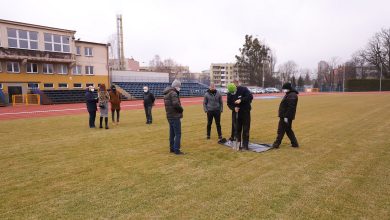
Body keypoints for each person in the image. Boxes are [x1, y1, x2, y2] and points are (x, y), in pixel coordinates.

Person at [227, 80, 253, 150]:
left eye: (234, 91)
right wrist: (233, 108)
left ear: (236, 87)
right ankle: (238, 143)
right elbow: (229, 104)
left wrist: (241, 100)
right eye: (231, 92)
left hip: (245, 112)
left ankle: (245, 145)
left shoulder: (243, 89)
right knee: (237, 129)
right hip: (236, 112)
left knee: (245, 129)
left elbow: (250, 97)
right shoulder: (229, 93)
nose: (233, 93)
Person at [272, 82, 299, 148]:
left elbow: (291, 107)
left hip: (286, 116)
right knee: (288, 130)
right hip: (285, 116)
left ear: (288, 88)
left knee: (281, 130)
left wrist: (286, 117)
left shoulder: (292, 95)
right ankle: (295, 143)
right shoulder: (289, 94)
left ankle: (276, 144)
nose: (284, 90)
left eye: (284, 89)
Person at [163, 79, 184, 155]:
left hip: (169, 116)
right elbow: (176, 104)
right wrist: (181, 110)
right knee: (178, 133)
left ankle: (172, 148)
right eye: (179, 86)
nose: (180, 88)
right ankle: (177, 150)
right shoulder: (173, 93)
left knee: (172, 133)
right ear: (176, 86)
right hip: (175, 116)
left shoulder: (167, 93)